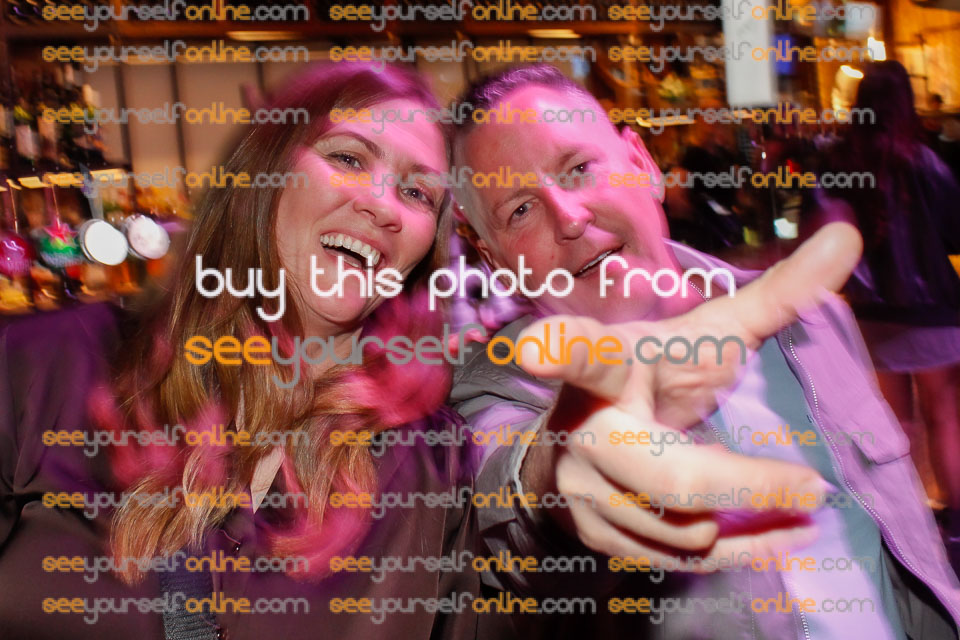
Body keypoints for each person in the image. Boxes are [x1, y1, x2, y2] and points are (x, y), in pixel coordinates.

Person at [449, 64, 960, 639]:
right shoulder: (496, 390)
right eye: (519, 210)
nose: (568, 217)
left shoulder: (812, 317)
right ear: (495, 260)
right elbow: (515, 513)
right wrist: (563, 469)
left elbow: (909, 549)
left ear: (641, 164)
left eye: (579, 169)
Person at [0, 62, 488, 640]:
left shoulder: (434, 464)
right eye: (348, 158)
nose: (383, 206)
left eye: (417, 192)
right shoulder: (49, 367)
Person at [815, 60, 960, 573]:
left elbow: (825, 229)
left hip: (873, 314)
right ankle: (957, 527)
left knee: (893, 425)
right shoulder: (927, 162)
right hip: (935, 310)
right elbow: (954, 230)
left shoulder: (841, 162)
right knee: (944, 417)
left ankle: (906, 526)